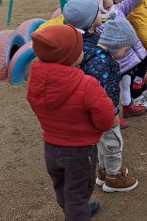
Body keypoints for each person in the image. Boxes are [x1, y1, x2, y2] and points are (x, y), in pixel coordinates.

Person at [27, 24, 113, 220]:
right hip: (79, 151)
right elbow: (105, 118)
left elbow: (35, 105)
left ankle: (74, 211)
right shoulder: (86, 84)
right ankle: (77, 213)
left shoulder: (37, 80)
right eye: (79, 49)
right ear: (69, 56)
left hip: (51, 147)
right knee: (78, 193)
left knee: (62, 187)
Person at [66, 0, 147, 120]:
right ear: (97, 3)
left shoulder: (116, 9)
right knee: (115, 87)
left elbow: (129, 2)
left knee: (128, 82)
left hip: (131, 56)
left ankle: (128, 105)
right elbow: (105, 46)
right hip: (120, 61)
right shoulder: (98, 25)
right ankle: (117, 112)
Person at [81, 15, 140, 193]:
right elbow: (103, 94)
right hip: (105, 113)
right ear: (116, 45)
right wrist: (113, 112)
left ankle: (104, 171)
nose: (126, 54)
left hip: (94, 113)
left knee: (102, 142)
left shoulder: (92, 54)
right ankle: (113, 178)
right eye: (126, 50)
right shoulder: (104, 63)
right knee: (113, 142)